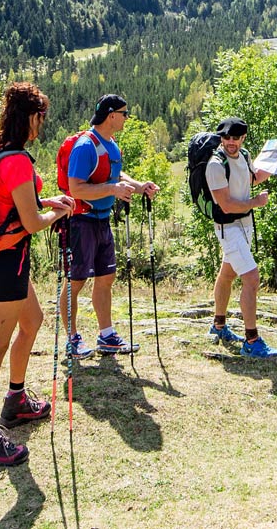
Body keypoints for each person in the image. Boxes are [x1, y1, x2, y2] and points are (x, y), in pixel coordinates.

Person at [0, 83, 79, 467]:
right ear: (31, 117)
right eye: (40, 117)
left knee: (32, 321)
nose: (41, 124)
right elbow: (31, 223)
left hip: (4, 257)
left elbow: (11, 203)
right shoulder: (16, 160)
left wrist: (47, 201)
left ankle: (15, 400)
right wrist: (56, 213)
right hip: (6, 262)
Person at [58, 94, 160, 358]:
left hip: (102, 220)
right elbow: (76, 188)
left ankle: (106, 336)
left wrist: (138, 187)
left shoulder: (111, 144)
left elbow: (115, 175)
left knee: (106, 278)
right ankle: (72, 339)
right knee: (76, 281)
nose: (127, 118)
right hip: (81, 222)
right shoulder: (85, 146)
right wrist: (113, 189)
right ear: (112, 115)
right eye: (125, 113)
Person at [203, 117, 277, 358]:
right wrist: (255, 203)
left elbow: (250, 179)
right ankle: (251, 340)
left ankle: (218, 326)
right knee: (252, 278)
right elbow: (225, 205)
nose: (230, 142)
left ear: (243, 137)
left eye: (235, 138)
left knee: (227, 273)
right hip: (228, 227)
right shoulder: (215, 165)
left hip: (244, 226)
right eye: (226, 138)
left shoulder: (245, 155)